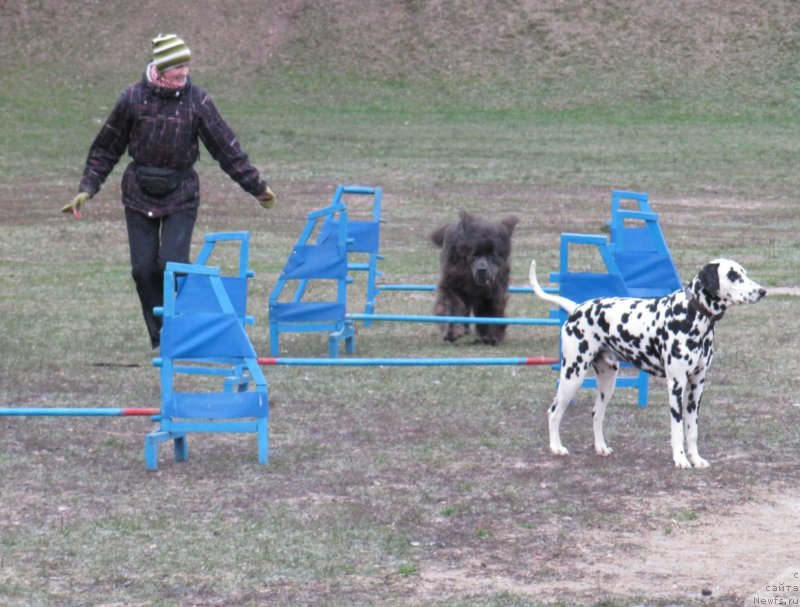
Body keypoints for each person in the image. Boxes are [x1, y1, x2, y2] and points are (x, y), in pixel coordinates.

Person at [62, 34, 275, 349]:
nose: (183, 79)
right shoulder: (132, 99)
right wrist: (87, 188)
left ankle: (185, 327)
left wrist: (256, 187)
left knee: (172, 266)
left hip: (181, 194)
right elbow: (106, 148)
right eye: (177, 74)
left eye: (186, 72)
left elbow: (225, 147)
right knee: (143, 270)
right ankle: (164, 334)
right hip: (138, 193)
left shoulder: (197, 101)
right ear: (159, 71)